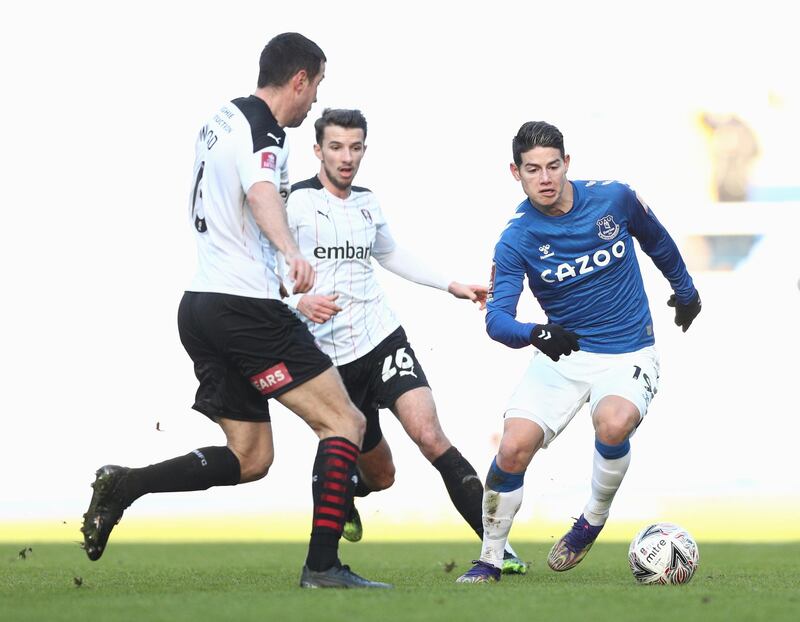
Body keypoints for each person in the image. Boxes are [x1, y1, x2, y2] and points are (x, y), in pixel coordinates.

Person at [80, 33, 390, 590]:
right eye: (316, 86)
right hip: (244, 308)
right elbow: (261, 192)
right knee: (345, 420)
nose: (315, 101)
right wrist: (292, 254)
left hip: (200, 306)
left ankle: (124, 485)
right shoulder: (263, 129)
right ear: (299, 79)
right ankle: (323, 568)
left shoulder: (219, 119)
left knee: (250, 458)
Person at [283, 108, 527, 574]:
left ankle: (499, 551)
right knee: (383, 475)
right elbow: (263, 269)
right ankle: (348, 494)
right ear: (317, 150)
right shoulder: (293, 204)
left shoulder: (367, 202)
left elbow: (390, 252)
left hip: (381, 339)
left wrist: (449, 284)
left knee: (431, 435)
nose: (346, 156)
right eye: (336, 146)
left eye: (355, 147)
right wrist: (299, 304)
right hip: (328, 362)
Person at [456, 121, 702, 583]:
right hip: (563, 356)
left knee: (612, 421)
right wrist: (536, 334)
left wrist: (686, 292)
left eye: (553, 166)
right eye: (533, 170)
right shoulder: (516, 238)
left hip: (627, 351)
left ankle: (591, 518)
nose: (545, 178)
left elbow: (657, 240)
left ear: (567, 163)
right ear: (516, 173)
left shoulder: (614, 198)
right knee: (512, 448)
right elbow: (497, 320)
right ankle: (489, 558)